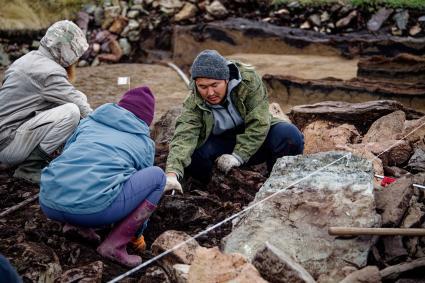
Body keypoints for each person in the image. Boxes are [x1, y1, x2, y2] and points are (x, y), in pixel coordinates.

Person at [39, 87, 172, 267]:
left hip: (49, 202)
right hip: (93, 211)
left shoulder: (88, 123)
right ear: (145, 120)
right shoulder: (144, 143)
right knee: (157, 177)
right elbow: (141, 192)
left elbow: (68, 156)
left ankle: (77, 226)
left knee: (87, 168)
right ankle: (115, 245)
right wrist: (137, 236)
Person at [164, 49, 304, 192]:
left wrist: (238, 156)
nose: (210, 93)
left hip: (257, 138)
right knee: (193, 155)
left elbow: (259, 122)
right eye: (203, 87)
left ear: (226, 79)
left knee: (289, 135)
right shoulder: (194, 101)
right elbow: (184, 136)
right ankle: (216, 187)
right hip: (221, 142)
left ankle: (277, 182)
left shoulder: (248, 81)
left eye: (214, 85)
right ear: (196, 84)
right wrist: (171, 174)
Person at [0, 20, 92, 184]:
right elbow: (83, 109)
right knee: (71, 111)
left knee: (77, 98)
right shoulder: (50, 72)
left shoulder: (27, 59)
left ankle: (38, 155)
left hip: (5, 136)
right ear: (67, 50)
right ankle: (30, 167)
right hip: (8, 145)